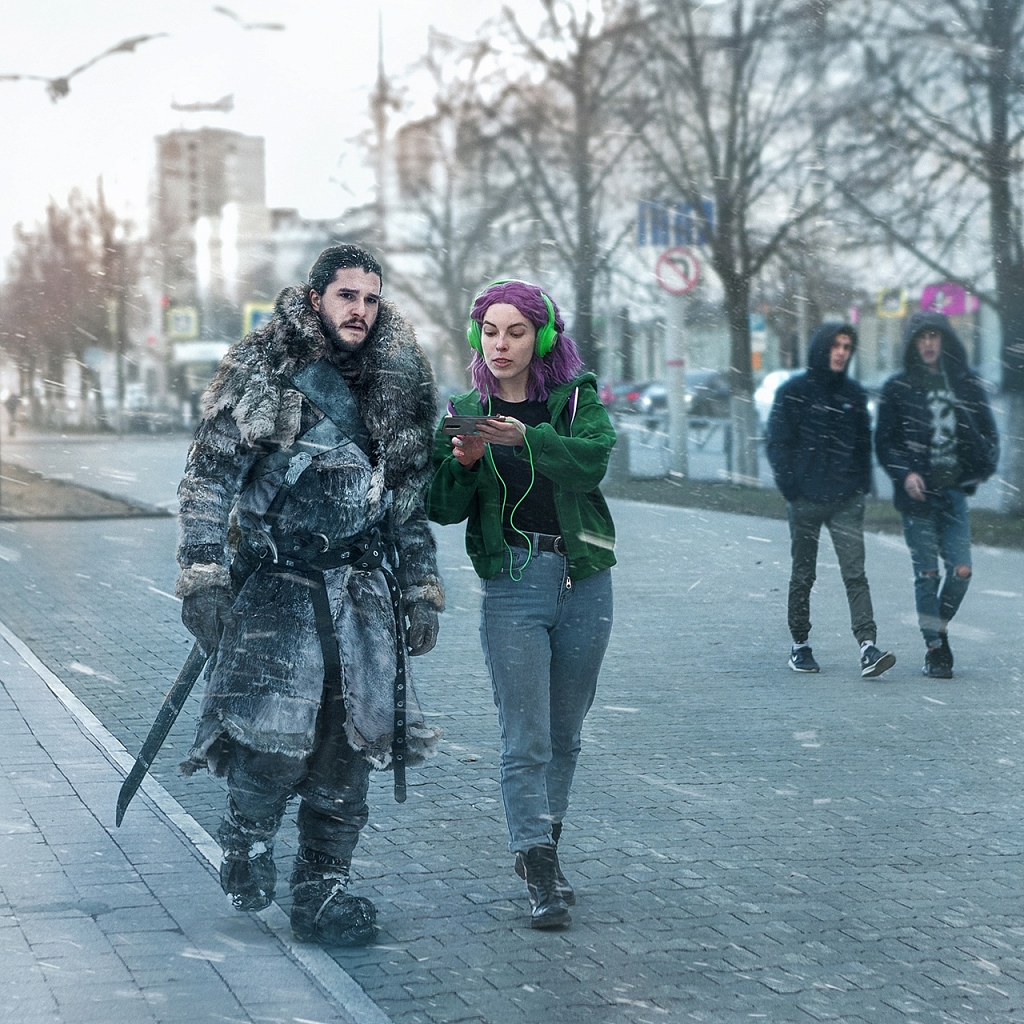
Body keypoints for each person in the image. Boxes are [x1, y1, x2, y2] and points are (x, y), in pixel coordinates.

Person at [175, 245, 444, 947]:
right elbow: (209, 477)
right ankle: (248, 841)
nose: (360, 310)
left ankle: (321, 892)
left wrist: (419, 587)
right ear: (317, 296)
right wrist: (203, 573)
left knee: (347, 752)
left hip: (361, 596)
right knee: (272, 745)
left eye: (371, 298)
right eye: (347, 295)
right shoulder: (266, 366)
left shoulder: (400, 379)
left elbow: (407, 502)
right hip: (279, 589)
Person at [428, 280, 615, 929]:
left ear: (542, 337)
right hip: (513, 581)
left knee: (565, 732)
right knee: (525, 736)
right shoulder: (465, 411)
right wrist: (467, 462)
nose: (500, 344)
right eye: (489, 332)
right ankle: (536, 862)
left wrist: (525, 440)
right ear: (476, 337)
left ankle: (547, 846)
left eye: (515, 332)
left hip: (585, 579)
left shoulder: (574, 399)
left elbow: (590, 464)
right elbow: (441, 507)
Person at [766, 322, 896, 679]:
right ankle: (800, 645)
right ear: (822, 348)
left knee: (855, 574)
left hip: (846, 501)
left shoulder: (852, 393)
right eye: (836, 345)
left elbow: (863, 443)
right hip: (805, 500)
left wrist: (861, 485)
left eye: (847, 347)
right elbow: (778, 442)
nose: (841, 352)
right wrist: (791, 488)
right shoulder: (794, 392)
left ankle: (868, 647)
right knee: (803, 574)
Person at [875, 310, 998, 679]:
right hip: (918, 499)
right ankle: (935, 650)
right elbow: (885, 443)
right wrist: (905, 474)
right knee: (927, 574)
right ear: (912, 344)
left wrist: (978, 468)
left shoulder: (965, 383)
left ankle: (936, 627)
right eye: (921, 337)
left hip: (953, 494)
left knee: (961, 571)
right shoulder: (898, 387)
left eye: (934, 336)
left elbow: (988, 434)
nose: (928, 343)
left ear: (945, 340)